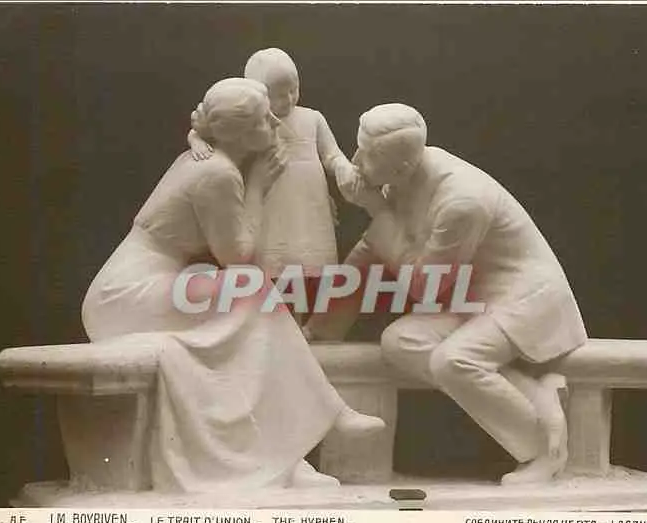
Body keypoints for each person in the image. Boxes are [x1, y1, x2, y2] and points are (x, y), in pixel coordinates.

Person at [82, 78, 383, 494]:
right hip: (128, 293)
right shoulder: (218, 173)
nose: (276, 122)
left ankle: (287, 458)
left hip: (146, 284)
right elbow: (239, 259)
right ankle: (328, 415)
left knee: (248, 331)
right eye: (263, 119)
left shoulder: (205, 159)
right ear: (238, 133)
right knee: (251, 290)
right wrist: (257, 188)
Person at [306, 103, 587, 485]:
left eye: (366, 155)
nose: (355, 161)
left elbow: (426, 286)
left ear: (403, 165)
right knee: (401, 341)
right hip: (476, 298)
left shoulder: (460, 201)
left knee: (454, 361)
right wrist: (323, 327)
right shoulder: (406, 176)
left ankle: (543, 446)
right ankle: (536, 395)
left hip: (525, 298)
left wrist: (379, 212)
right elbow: (372, 251)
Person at [188, 48, 358, 323]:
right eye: (279, 94)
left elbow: (331, 154)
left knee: (305, 264)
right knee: (273, 264)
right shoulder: (254, 123)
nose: (288, 99)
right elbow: (208, 128)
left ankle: (298, 324)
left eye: (293, 89)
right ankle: (272, 325)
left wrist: (343, 168)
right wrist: (196, 140)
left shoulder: (313, 118)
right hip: (271, 199)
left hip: (308, 202)